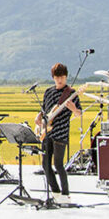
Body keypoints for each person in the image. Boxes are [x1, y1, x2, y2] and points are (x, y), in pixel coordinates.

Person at [38, 63, 82, 205]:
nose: (60, 80)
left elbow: (79, 114)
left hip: (61, 133)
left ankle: (66, 194)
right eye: (57, 77)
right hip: (47, 133)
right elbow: (45, 111)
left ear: (66, 77)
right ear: (53, 78)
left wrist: (74, 109)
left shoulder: (71, 93)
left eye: (62, 77)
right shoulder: (48, 92)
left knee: (58, 164)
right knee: (45, 164)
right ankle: (55, 191)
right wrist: (38, 118)